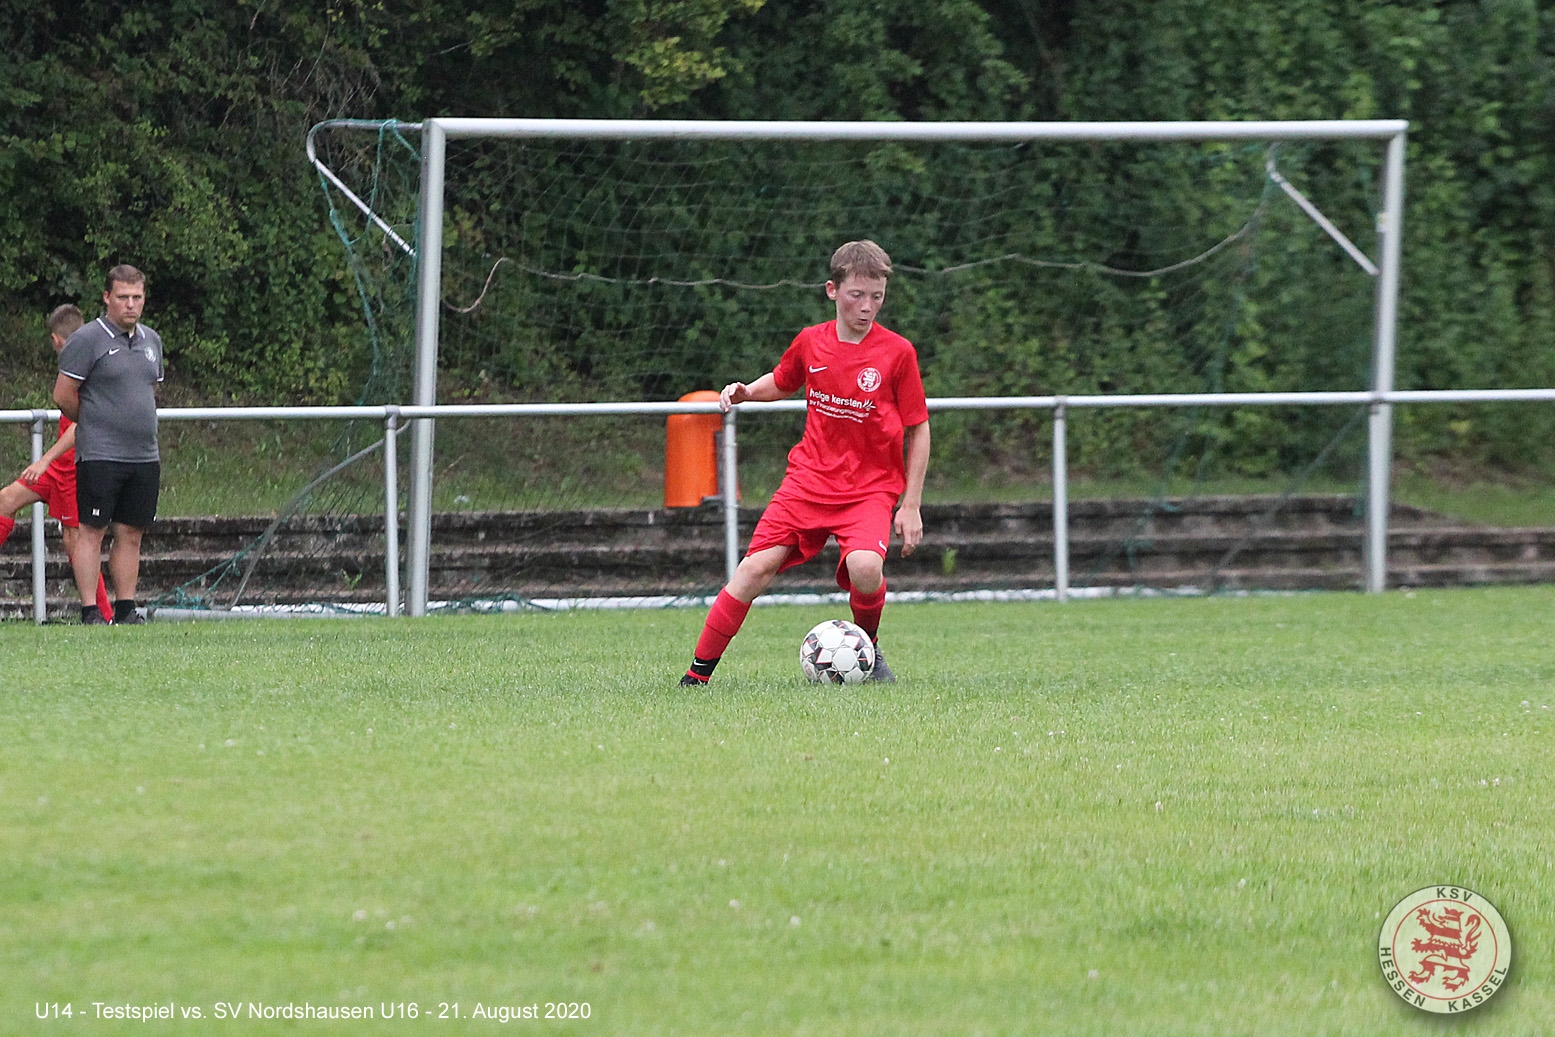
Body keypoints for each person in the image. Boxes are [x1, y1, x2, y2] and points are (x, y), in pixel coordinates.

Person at [679, 240, 931, 685]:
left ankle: (868, 652)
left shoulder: (898, 353)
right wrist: (746, 392)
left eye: (877, 296)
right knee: (753, 569)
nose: (867, 307)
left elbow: (919, 427)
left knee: (866, 568)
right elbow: (783, 380)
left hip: (870, 488)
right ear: (832, 290)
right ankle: (696, 677)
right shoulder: (811, 342)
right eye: (857, 295)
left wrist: (910, 505)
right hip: (808, 482)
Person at [54, 265, 165, 625]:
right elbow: (64, 395)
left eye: (137, 297)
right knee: (92, 531)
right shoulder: (86, 340)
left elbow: (148, 390)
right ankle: (90, 610)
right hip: (100, 453)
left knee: (131, 532)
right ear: (106, 298)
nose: (130, 305)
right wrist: (97, 420)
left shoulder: (152, 341)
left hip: (144, 454)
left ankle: (126, 608)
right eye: (123, 297)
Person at [0, 305, 113, 619]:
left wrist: (44, 459)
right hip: (56, 469)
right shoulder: (76, 362)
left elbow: (81, 426)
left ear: (56, 339)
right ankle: (102, 615)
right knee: (5, 501)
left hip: (71, 468)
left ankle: (103, 615)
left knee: (76, 541)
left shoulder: (89, 365)